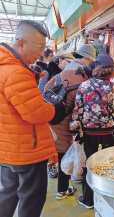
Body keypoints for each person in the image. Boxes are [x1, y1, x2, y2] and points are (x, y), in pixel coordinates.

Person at [0, 20, 58, 217]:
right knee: (31, 199)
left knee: (9, 192)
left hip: (8, 147)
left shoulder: (7, 66)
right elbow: (35, 112)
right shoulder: (15, 71)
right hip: (25, 150)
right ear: (21, 42)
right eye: (40, 47)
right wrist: (51, 107)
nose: (42, 53)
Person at [70, 53, 114, 209]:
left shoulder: (84, 86)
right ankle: (109, 198)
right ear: (111, 70)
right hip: (109, 131)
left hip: (89, 132)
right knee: (110, 164)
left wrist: (74, 130)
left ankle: (88, 200)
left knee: (90, 164)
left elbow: (77, 111)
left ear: (96, 69)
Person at [44, 47, 96, 200]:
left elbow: (47, 88)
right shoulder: (85, 81)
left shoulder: (65, 72)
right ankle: (62, 190)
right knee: (64, 154)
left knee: (59, 152)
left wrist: (57, 102)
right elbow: (82, 107)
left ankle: (62, 186)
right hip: (67, 120)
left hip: (52, 116)